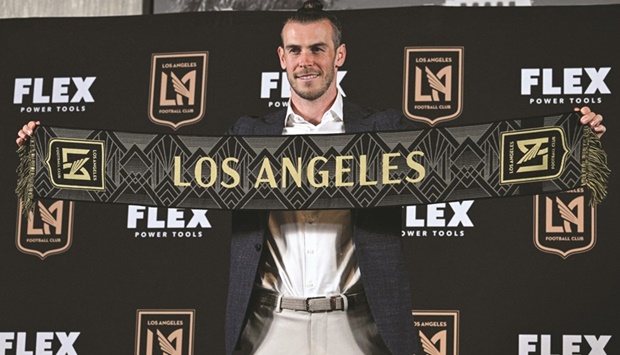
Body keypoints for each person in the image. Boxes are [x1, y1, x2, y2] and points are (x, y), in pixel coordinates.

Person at [16, 1, 607, 354]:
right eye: (295, 49)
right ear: (281, 58)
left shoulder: (387, 133)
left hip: (360, 321)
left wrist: (571, 139)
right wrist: (47, 150)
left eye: (318, 49)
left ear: (338, 56)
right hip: (270, 323)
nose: (307, 61)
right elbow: (154, 165)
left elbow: (471, 158)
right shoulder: (249, 138)